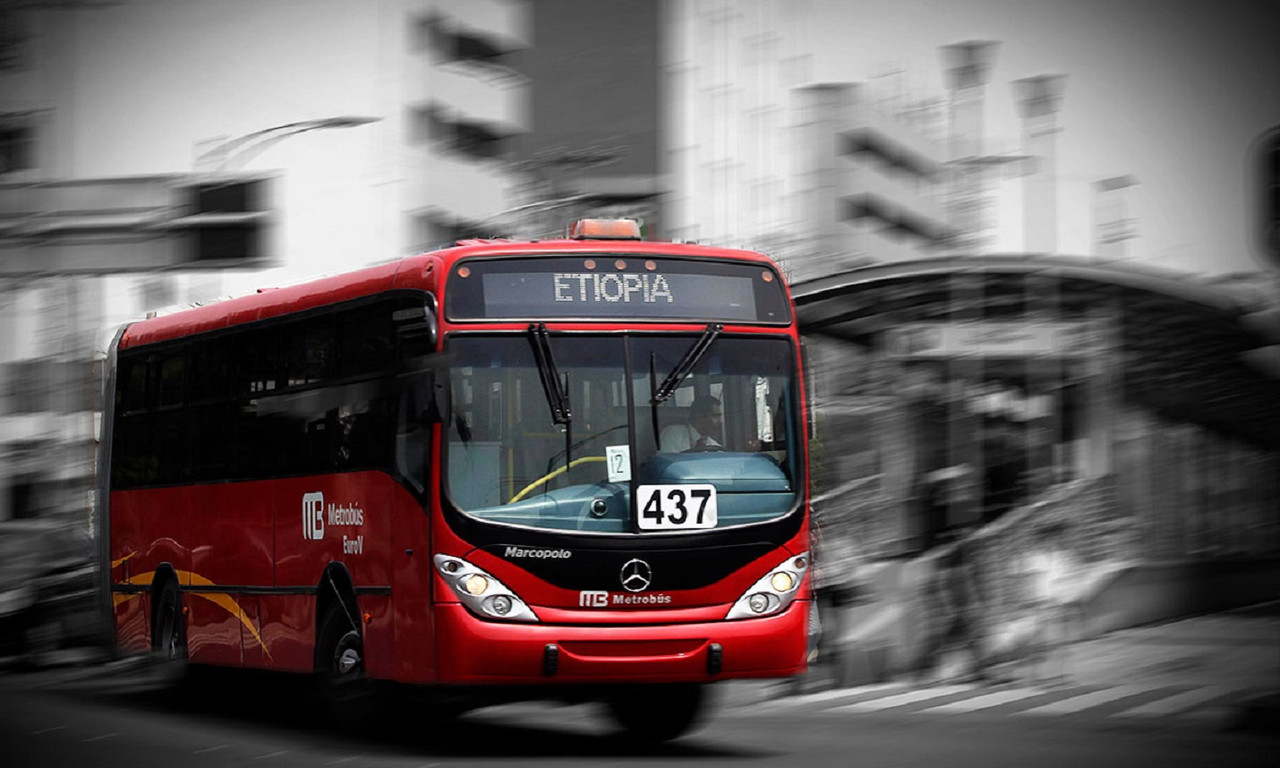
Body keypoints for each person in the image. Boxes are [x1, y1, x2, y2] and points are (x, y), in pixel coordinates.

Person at [1022, 522, 1081, 685]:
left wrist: (1071, 601)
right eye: (1048, 538)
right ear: (1042, 540)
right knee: (1040, 643)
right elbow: (1030, 583)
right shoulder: (1034, 558)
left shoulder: (1064, 557)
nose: (1052, 541)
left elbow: (1071, 580)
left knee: (1061, 642)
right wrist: (1032, 603)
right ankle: (1036, 675)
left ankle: (1062, 674)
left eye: (1054, 538)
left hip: (1061, 603)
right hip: (1040, 604)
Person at [659, 395, 723, 452]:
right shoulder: (673, 434)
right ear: (699, 416)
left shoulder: (715, 447)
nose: (720, 422)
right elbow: (667, 462)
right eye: (715, 416)